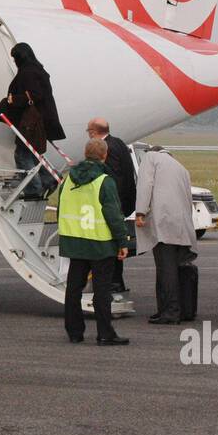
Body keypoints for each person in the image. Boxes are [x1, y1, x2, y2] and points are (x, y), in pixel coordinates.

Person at [58, 138, 130, 345]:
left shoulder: (68, 180)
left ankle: (74, 332)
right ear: (104, 155)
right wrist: (122, 241)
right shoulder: (104, 181)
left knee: (73, 289)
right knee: (101, 291)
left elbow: (63, 208)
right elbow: (113, 214)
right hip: (100, 243)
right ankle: (105, 333)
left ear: (85, 152)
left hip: (74, 242)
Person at [133, 146, 197, 324]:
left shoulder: (151, 158)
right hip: (182, 224)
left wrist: (140, 212)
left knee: (165, 268)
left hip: (164, 222)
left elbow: (145, 185)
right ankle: (172, 309)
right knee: (176, 267)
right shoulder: (180, 167)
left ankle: (170, 311)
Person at [0, 43, 65, 200]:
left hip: (32, 122)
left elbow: (36, 95)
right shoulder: (38, 69)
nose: (14, 62)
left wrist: (16, 99)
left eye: (15, 58)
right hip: (40, 120)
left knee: (22, 154)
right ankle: (49, 178)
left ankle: (33, 189)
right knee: (32, 153)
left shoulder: (28, 72)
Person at [88, 118, 137, 296]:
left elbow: (115, 180)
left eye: (88, 131)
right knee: (115, 244)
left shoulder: (108, 148)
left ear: (94, 132)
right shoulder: (118, 142)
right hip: (123, 203)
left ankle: (114, 283)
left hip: (114, 204)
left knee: (111, 245)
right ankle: (117, 282)